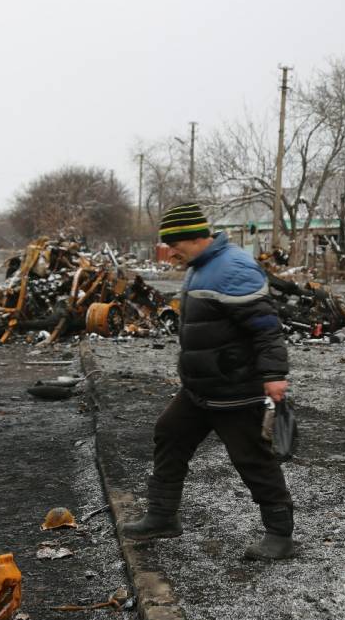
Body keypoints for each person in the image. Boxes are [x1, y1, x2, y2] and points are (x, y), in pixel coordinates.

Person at [120, 202, 296, 560]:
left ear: (196, 237)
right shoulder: (202, 266)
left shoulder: (234, 268)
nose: (171, 251)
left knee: (252, 460)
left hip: (234, 390)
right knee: (170, 433)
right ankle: (162, 516)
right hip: (201, 389)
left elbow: (266, 329)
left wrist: (275, 375)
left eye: (175, 243)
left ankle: (280, 536)